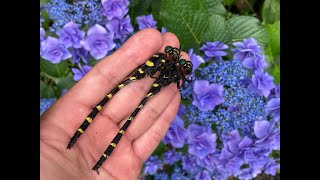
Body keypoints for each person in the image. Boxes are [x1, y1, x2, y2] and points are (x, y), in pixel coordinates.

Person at [40, 28, 190, 179]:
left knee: (132, 115)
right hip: (141, 79)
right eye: (172, 53)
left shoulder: (167, 66)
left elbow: (155, 74)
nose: (173, 55)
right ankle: (78, 142)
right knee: (127, 114)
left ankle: (93, 154)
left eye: (174, 56)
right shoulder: (162, 60)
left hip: (147, 83)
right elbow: (152, 73)